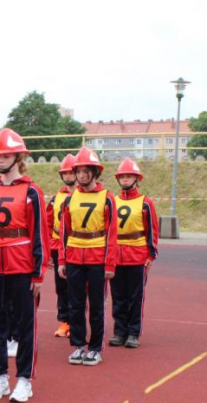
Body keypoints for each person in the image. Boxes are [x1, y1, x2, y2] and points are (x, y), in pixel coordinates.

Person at [0, 128, 49, 403]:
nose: (1, 159)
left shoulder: (32, 192)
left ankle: (24, 379)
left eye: (6, 155)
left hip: (21, 265)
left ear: (18, 156)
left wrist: (38, 272)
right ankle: (0, 378)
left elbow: (40, 233)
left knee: (24, 325)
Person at [58, 147, 117, 366]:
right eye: (78, 172)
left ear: (94, 172)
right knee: (75, 304)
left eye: (85, 171)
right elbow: (64, 231)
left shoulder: (107, 198)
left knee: (97, 305)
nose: (81, 176)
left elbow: (112, 234)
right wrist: (62, 261)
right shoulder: (69, 199)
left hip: (97, 258)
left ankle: (95, 348)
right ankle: (78, 346)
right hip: (74, 256)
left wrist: (110, 264)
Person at [108, 158, 158, 349]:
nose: (126, 180)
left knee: (135, 297)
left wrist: (151, 255)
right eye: (123, 177)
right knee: (118, 296)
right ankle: (119, 331)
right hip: (116, 256)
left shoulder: (145, 203)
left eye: (129, 176)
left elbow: (152, 230)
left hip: (137, 255)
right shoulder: (113, 201)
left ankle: (133, 332)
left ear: (137, 179)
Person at [46, 153, 77, 339]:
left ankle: (78, 321)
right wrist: (49, 251)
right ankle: (65, 322)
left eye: (70, 172)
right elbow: (48, 225)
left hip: (79, 246)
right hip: (59, 247)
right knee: (62, 287)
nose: (67, 176)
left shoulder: (86, 196)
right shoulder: (55, 198)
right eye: (64, 173)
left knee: (79, 288)